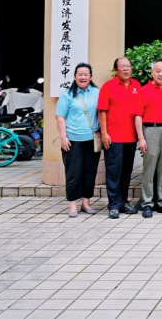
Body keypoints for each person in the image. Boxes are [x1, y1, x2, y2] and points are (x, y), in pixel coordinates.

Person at [133, 60, 162, 217]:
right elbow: (138, 116)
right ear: (152, 72)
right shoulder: (143, 90)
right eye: (158, 71)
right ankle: (147, 203)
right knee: (149, 168)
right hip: (150, 130)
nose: (161, 74)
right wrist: (141, 138)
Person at [98, 57, 142, 219]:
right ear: (116, 70)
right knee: (113, 172)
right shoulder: (108, 86)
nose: (126, 69)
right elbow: (102, 111)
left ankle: (123, 202)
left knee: (126, 172)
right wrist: (104, 133)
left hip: (131, 137)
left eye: (128, 66)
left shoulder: (136, 85)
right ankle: (114, 205)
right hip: (113, 137)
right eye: (122, 66)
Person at [55, 62, 101, 218]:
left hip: (92, 140)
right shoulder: (67, 94)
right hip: (73, 141)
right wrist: (63, 137)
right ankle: (72, 205)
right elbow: (60, 117)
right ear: (75, 76)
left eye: (86, 74)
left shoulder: (96, 92)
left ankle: (86, 203)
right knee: (73, 173)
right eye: (80, 74)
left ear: (90, 77)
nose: (83, 77)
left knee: (90, 172)